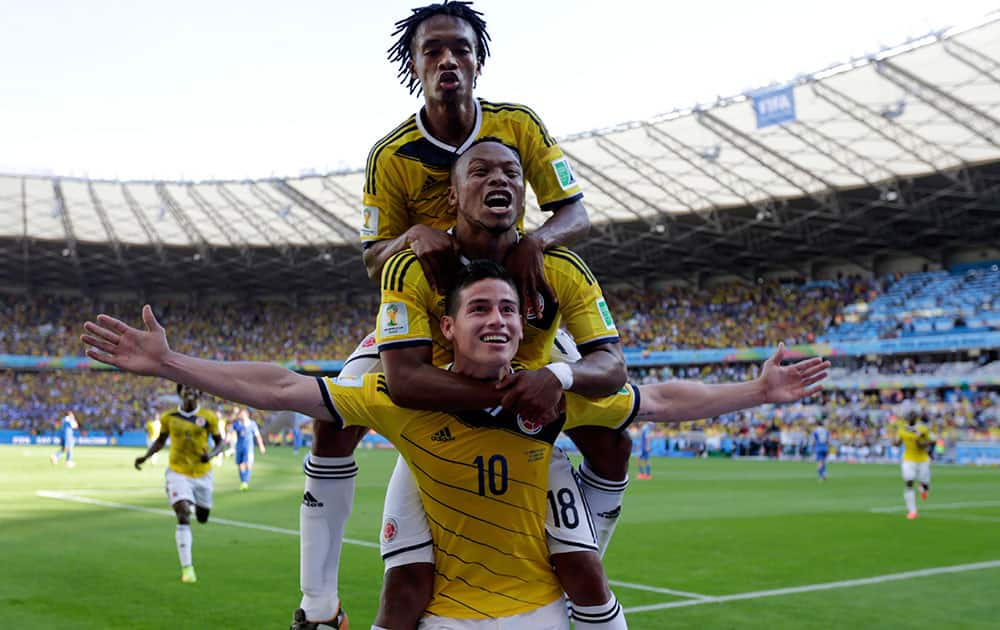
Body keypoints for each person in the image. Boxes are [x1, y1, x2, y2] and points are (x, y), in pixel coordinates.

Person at [81, 261, 829, 628]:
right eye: (479, 308)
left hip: (543, 610)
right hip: (450, 617)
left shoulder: (551, 390)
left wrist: (758, 393)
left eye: (509, 308)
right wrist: (172, 362)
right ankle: (317, 602)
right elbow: (283, 387)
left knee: (585, 557)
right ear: (445, 327)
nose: (498, 319)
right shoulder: (402, 390)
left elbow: (659, 400)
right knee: (401, 587)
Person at [297, 2, 616, 626]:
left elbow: (575, 212)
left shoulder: (518, 125)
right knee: (331, 419)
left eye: (461, 49)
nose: (448, 60)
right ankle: (317, 602)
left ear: (478, 59)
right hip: (429, 318)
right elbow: (372, 259)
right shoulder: (390, 156)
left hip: (513, 314)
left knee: (612, 435)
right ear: (413, 65)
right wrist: (416, 233)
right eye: (433, 50)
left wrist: (538, 241)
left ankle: (581, 561)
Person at [373, 138, 628, 626]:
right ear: (452, 195)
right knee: (404, 587)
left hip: (532, 398)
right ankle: (317, 601)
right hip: (444, 405)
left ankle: (578, 548)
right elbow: (404, 381)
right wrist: (512, 396)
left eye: (512, 173)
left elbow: (613, 367)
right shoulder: (415, 261)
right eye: (481, 172)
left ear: (527, 193)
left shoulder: (561, 266)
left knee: (613, 450)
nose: (500, 180)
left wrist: (555, 376)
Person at [134, 384, 226, 583]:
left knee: (202, 517)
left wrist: (210, 455)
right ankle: (187, 568)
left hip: (202, 474)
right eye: (185, 388)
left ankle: (193, 502)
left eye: (194, 388)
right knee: (183, 512)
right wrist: (145, 456)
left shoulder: (208, 417)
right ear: (180, 393)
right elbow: (160, 441)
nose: (190, 391)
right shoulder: (169, 418)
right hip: (177, 472)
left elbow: (221, 443)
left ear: (200, 393)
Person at [895, 412, 933, 520]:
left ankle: (923, 488)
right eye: (908, 417)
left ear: (916, 418)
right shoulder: (902, 430)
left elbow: (929, 442)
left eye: (912, 417)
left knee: (925, 482)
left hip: (922, 459)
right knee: (909, 482)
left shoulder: (923, 429)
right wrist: (894, 441)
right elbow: (897, 443)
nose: (910, 419)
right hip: (908, 459)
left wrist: (920, 443)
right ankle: (912, 511)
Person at [230, 407, 266, 491]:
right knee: (240, 464)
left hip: (249, 447)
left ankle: (245, 482)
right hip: (239, 447)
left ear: (246, 414)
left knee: (248, 464)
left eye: (241, 413)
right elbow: (230, 432)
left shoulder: (252, 424)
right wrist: (227, 440)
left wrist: (261, 445)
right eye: (239, 414)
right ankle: (243, 481)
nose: (240, 415)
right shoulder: (236, 424)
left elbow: (257, 435)